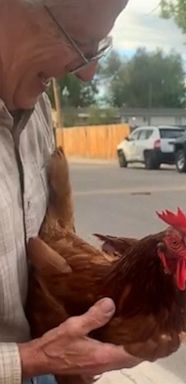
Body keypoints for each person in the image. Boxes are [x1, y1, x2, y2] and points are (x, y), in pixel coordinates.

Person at [0, 0, 144, 382]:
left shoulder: (36, 109)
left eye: (99, 49)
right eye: (80, 44)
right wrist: (28, 361)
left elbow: (50, 230)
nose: (87, 74)